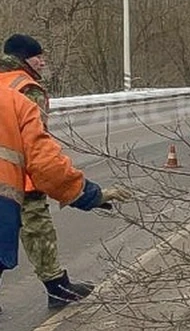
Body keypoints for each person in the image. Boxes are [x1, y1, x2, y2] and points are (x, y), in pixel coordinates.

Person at [0, 85, 131, 312]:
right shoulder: (15, 102)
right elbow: (48, 166)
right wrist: (90, 195)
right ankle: (57, 287)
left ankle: (57, 286)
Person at [0, 34, 97, 308]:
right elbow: (37, 144)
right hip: (21, 179)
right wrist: (80, 192)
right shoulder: (26, 88)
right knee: (38, 231)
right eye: (38, 56)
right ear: (23, 58)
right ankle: (57, 287)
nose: (42, 62)